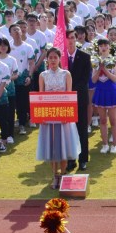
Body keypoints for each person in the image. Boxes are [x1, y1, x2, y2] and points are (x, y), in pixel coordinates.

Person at [37, 47, 81, 189]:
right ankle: (54, 176)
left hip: (63, 116)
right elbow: (40, 96)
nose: (53, 60)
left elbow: (69, 95)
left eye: (55, 57)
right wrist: (42, 117)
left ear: (59, 58)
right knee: (51, 148)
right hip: (49, 115)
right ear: (47, 59)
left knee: (63, 147)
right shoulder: (43, 75)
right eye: (50, 57)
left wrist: (66, 115)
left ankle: (63, 174)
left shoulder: (66, 74)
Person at [65, 29, 92, 172]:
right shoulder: (61, 57)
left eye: (72, 38)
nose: (70, 40)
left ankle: (83, 159)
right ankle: (71, 159)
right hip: (65, 100)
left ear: (76, 39)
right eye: (67, 38)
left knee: (81, 129)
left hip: (79, 98)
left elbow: (84, 79)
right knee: (68, 131)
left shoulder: (85, 57)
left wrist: (71, 91)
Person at [92, 38, 116, 154]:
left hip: (111, 91)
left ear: (109, 47)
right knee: (103, 120)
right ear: (98, 48)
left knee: (113, 119)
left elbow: (115, 79)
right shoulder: (95, 61)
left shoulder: (115, 60)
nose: (103, 48)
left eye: (105, 45)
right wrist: (99, 68)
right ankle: (105, 144)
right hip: (100, 91)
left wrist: (104, 69)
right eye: (101, 46)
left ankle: (114, 144)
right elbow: (94, 80)